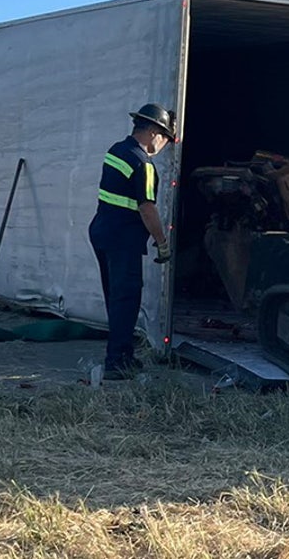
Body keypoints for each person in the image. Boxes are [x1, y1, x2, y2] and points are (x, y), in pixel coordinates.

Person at [88, 102, 177, 380]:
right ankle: (117, 362)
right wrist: (162, 242)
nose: (164, 144)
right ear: (152, 132)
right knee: (126, 299)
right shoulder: (143, 164)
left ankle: (123, 354)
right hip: (123, 239)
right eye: (165, 137)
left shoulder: (116, 151)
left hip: (102, 232)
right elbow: (146, 207)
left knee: (115, 297)